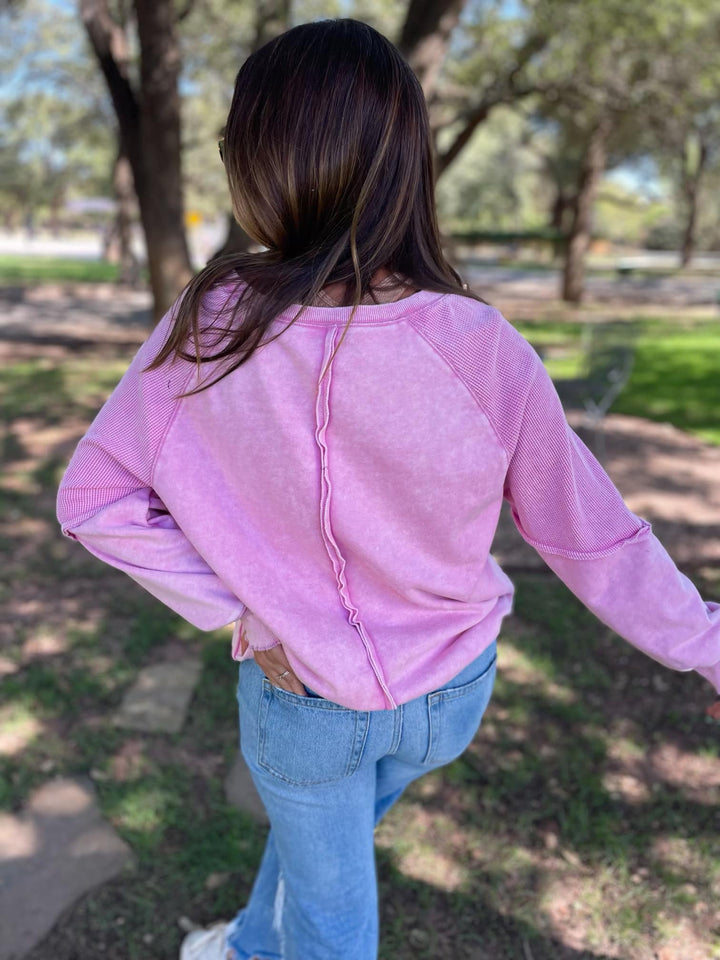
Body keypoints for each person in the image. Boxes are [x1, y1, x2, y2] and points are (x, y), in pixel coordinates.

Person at [56, 18, 720, 960]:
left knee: (332, 918)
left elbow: (92, 500)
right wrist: (710, 647)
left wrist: (243, 615)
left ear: (264, 162)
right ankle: (247, 947)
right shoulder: (480, 344)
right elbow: (596, 539)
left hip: (306, 701)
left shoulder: (214, 325)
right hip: (452, 696)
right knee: (323, 854)